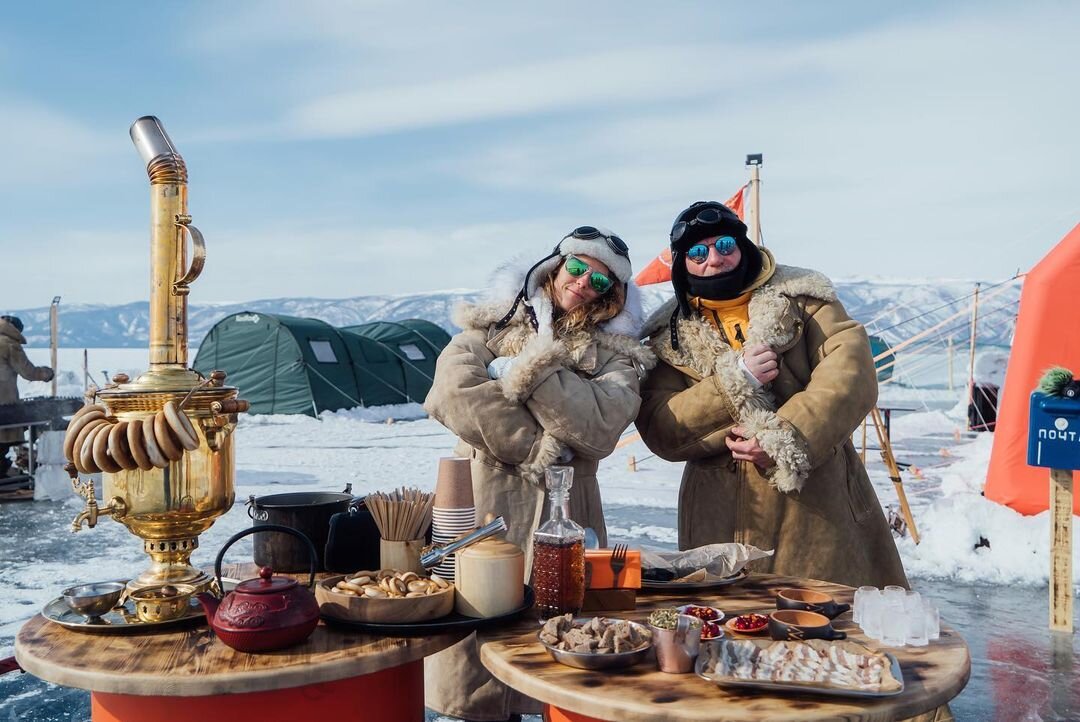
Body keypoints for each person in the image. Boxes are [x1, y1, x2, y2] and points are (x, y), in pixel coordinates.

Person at [424, 226, 655, 721]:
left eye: (600, 281)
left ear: (614, 296)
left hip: (567, 512)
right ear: (553, 266)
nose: (583, 284)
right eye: (576, 268)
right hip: (481, 503)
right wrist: (539, 446)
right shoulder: (491, 325)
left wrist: (525, 372)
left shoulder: (619, 355)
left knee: (564, 656)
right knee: (477, 641)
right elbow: (452, 394)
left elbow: (599, 427)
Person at [635, 201, 908, 590]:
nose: (714, 258)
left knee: (825, 626)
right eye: (697, 252)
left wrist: (784, 437)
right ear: (682, 264)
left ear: (743, 247)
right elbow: (661, 425)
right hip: (717, 516)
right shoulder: (667, 337)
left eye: (725, 244)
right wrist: (735, 380)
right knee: (724, 631)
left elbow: (850, 375)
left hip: (817, 505)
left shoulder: (805, 297)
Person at [0, 315, 55, 475]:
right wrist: (47, 373)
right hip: (4, 406)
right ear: (16, 330)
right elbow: (28, 372)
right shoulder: (9, 344)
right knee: (3, 443)